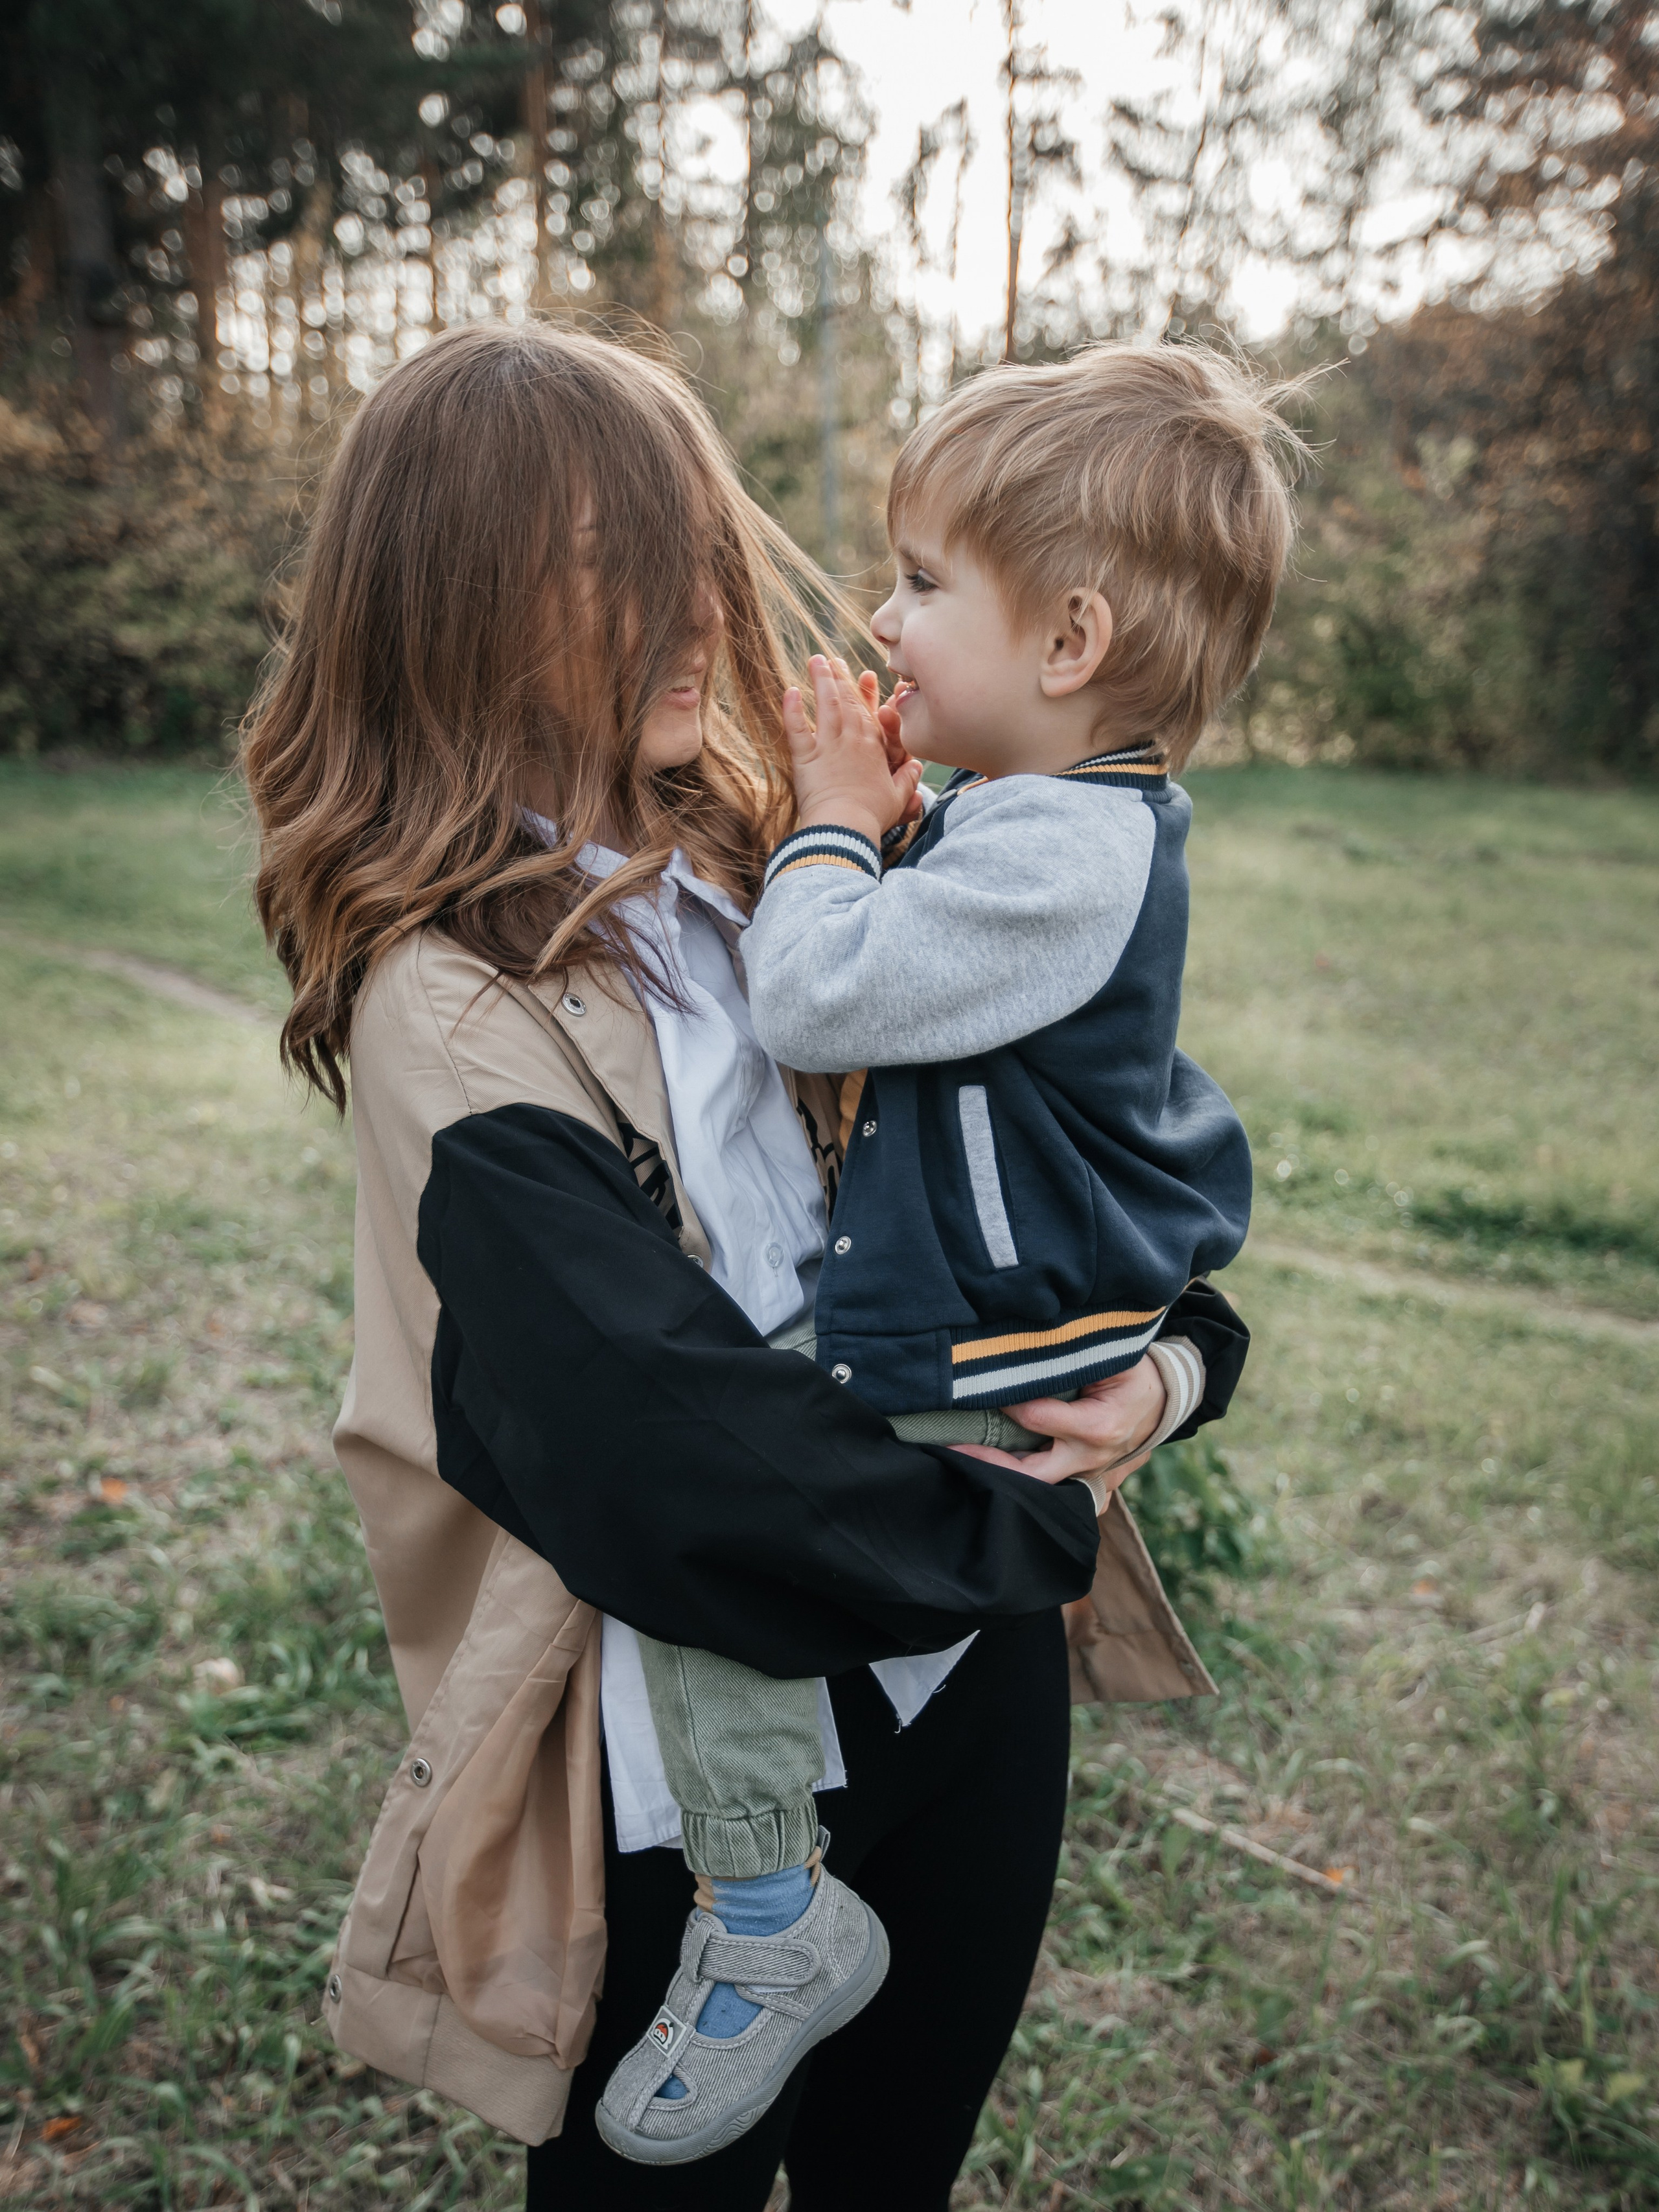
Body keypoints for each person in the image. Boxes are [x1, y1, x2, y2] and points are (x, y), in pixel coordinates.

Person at [240, 317, 1247, 2211]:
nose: (699, 608)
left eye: (694, 543)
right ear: (457, 614)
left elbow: (1077, 1148)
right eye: (613, 570)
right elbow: (667, 1459)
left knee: (895, 2175)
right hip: (703, 1781)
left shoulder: (783, 867)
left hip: (965, 1688)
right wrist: (1035, 1522)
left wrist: (1183, 1363)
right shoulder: (448, 1010)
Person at [598, 341, 1301, 2165]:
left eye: (921, 584)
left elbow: (822, 987)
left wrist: (833, 825)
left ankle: (764, 1918)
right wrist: (900, 826)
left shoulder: (1070, 852)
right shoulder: (1035, 826)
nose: (883, 618)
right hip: (1002, 1328)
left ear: (1067, 645)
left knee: (713, 1578)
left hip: (980, 1356)